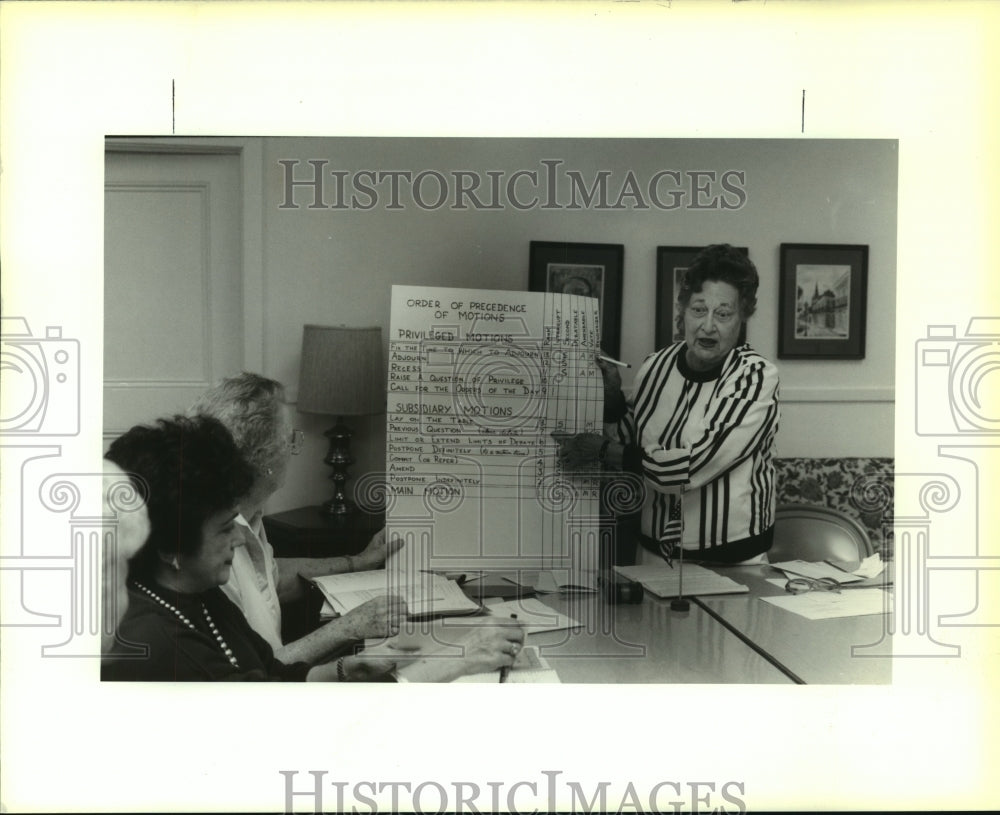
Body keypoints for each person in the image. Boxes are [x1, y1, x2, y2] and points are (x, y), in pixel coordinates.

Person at [102, 415, 524, 682]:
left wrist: (342, 670)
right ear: (169, 549)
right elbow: (279, 737)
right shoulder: (157, 644)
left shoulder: (198, 594)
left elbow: (268, 676)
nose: (237, 539)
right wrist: (458, 659)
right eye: (224, 529)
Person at [556, 244, 780, 565]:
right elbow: (635, 442)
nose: (708, 326)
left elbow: (687, 469)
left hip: (732, 562)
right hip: (653, 552)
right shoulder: (656, 365)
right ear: (683, 310)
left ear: (742, 317)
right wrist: (613, 400)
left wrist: (601, 449)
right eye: (698, 309)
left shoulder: (755, 377)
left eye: (724, 314)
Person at [190, 372, 402, 666]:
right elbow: (259, 670)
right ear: (263, 458)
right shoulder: (211, 543)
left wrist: (359, 561)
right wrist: (349, 627)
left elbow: (272, 579)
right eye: (291, 439)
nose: (293, 449)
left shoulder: (247, 512)